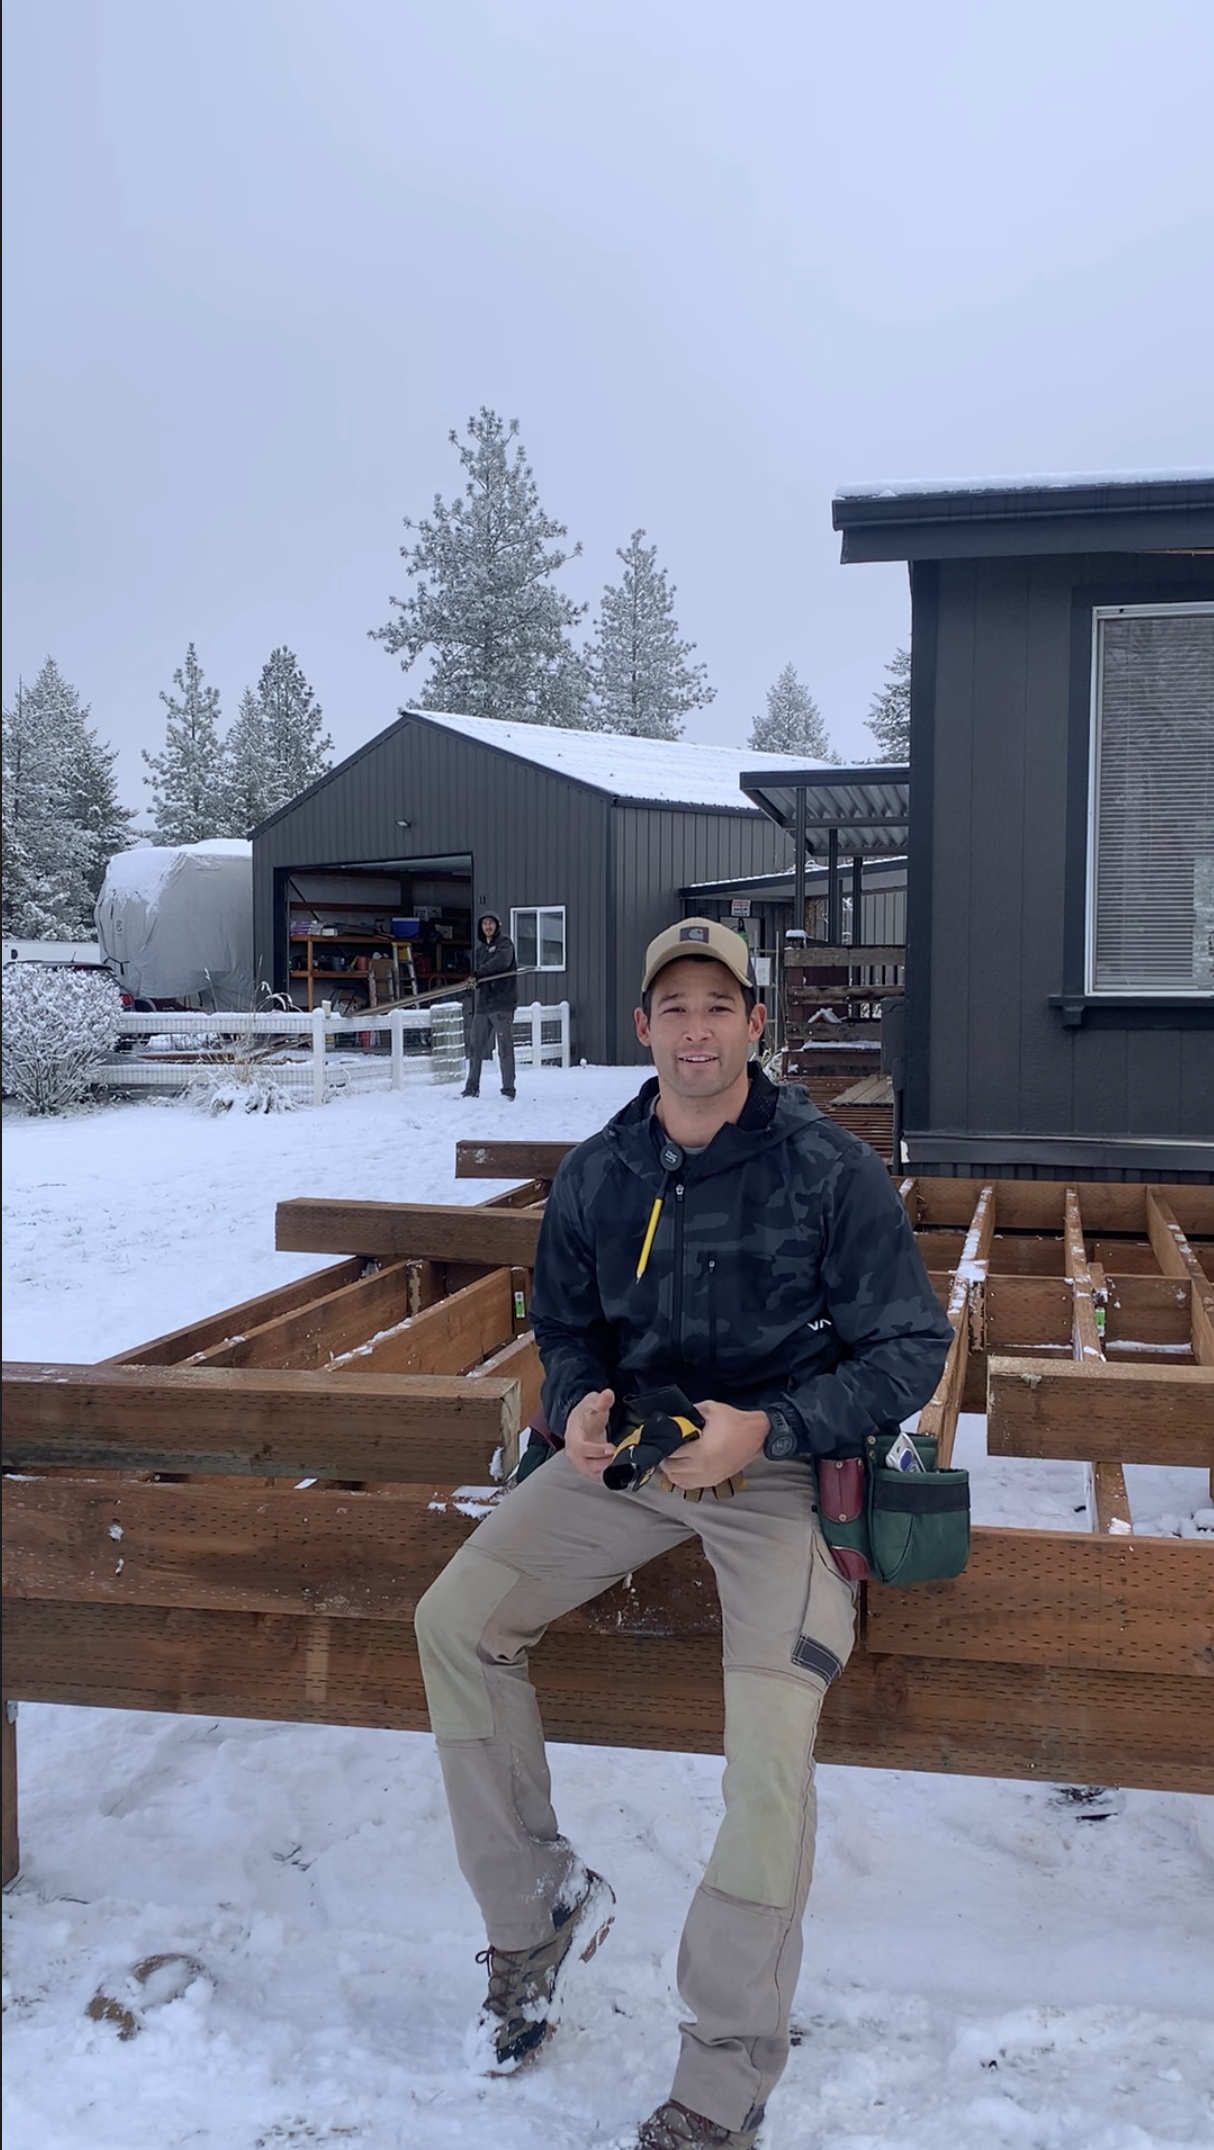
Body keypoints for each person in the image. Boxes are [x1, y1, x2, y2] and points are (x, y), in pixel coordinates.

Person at [415, 917, 953, 2149]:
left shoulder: (826, 1170)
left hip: (773, 1468)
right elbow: (563, 1324)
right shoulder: (600, 1171)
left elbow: (908, 1348)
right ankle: (536, 1909)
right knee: (454, 1620)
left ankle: (722, 2067)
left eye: (719, 1004)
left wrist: (770, 1427)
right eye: (674, 1006)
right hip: (631, 1458)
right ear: (643, 1025)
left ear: (755, 1024)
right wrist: (578, 1397)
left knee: (768, 1741)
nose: (695, 1028)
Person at [461, 910, 518, 1100]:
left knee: (504, 1048)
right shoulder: (480, 950)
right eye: (484, 923)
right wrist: (473, 982)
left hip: (502, 1003)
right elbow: (480, 975)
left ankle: (508, 1089)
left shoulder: (505, 944)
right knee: (475, 1047)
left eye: (491, 923)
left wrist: (478, 974)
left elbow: (500, 963)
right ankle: (472, 1088)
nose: (488, 927)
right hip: (483, 1005)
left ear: (497, 925)